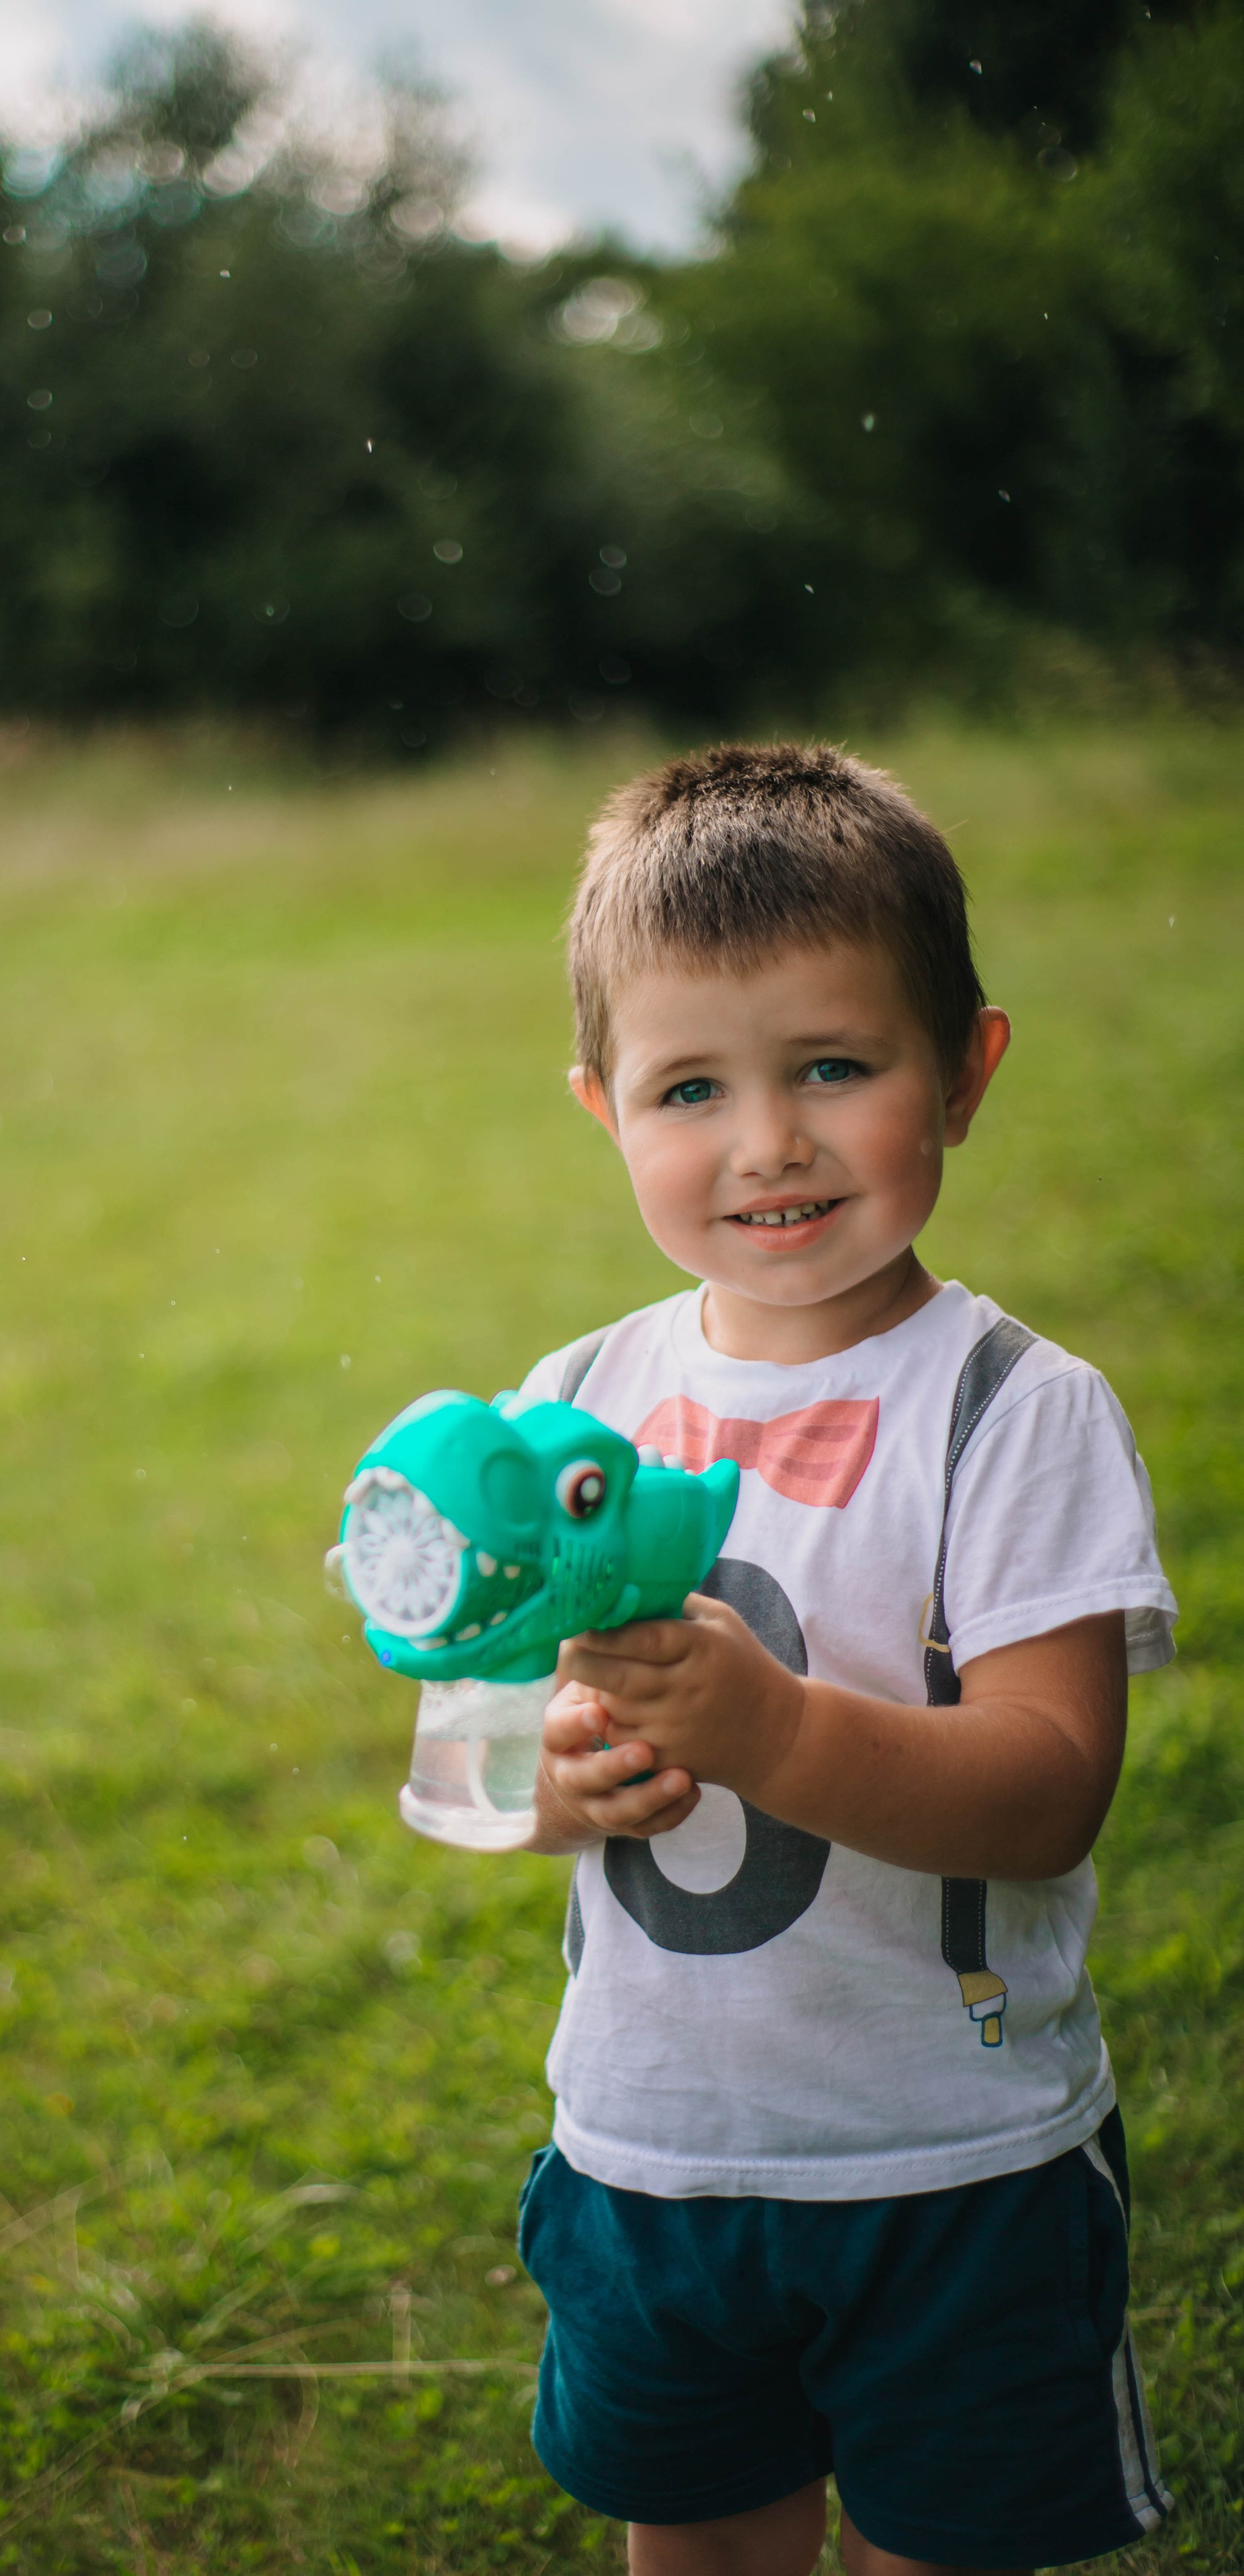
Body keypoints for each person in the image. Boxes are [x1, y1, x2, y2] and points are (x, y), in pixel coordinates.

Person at [510, 744, 1176, 2576]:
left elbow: (1049, 1792)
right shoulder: (570, 1408)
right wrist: (552, 1780)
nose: (769, 1144)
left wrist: (775, 1729)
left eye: (833, 1067)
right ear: (604, 1110)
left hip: (952, 2165)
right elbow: (484, 1759)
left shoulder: (1012, 1411)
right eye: (691, 1089)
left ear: (965, 1070)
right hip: (654, 2152)